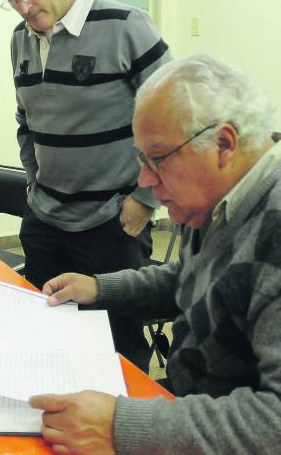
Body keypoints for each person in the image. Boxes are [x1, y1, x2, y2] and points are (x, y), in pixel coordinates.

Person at [29, 55, 281, 454]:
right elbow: (191, 278)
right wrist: (99, 288)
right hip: (185, 409)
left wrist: (122, 426)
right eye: (142, 161)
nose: (145, 180)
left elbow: (274, 421)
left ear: (224, 144)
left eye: (157, 159)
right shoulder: (221, 199)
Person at [0, 0, 173, 370]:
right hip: (45, 220)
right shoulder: (20, 39)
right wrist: (35, 183)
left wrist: (145, 199)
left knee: (117, 354)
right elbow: (27, 122)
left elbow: (175, 120)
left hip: (111, 224)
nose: (23, 5)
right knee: (49, 344)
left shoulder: (127, 26)